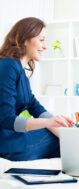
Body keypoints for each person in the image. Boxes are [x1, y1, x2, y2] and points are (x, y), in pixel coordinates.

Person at [0, 17, 74, 161]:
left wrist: (59, 123)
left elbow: (37, 109)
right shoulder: (7, 66)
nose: (45, 46)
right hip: (7, 146)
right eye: (41, 40)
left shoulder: (21, 74)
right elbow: (6, 119)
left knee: (71, 132)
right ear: (25, 39)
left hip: (13, 143)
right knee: (66, 139)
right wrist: (48, 123)